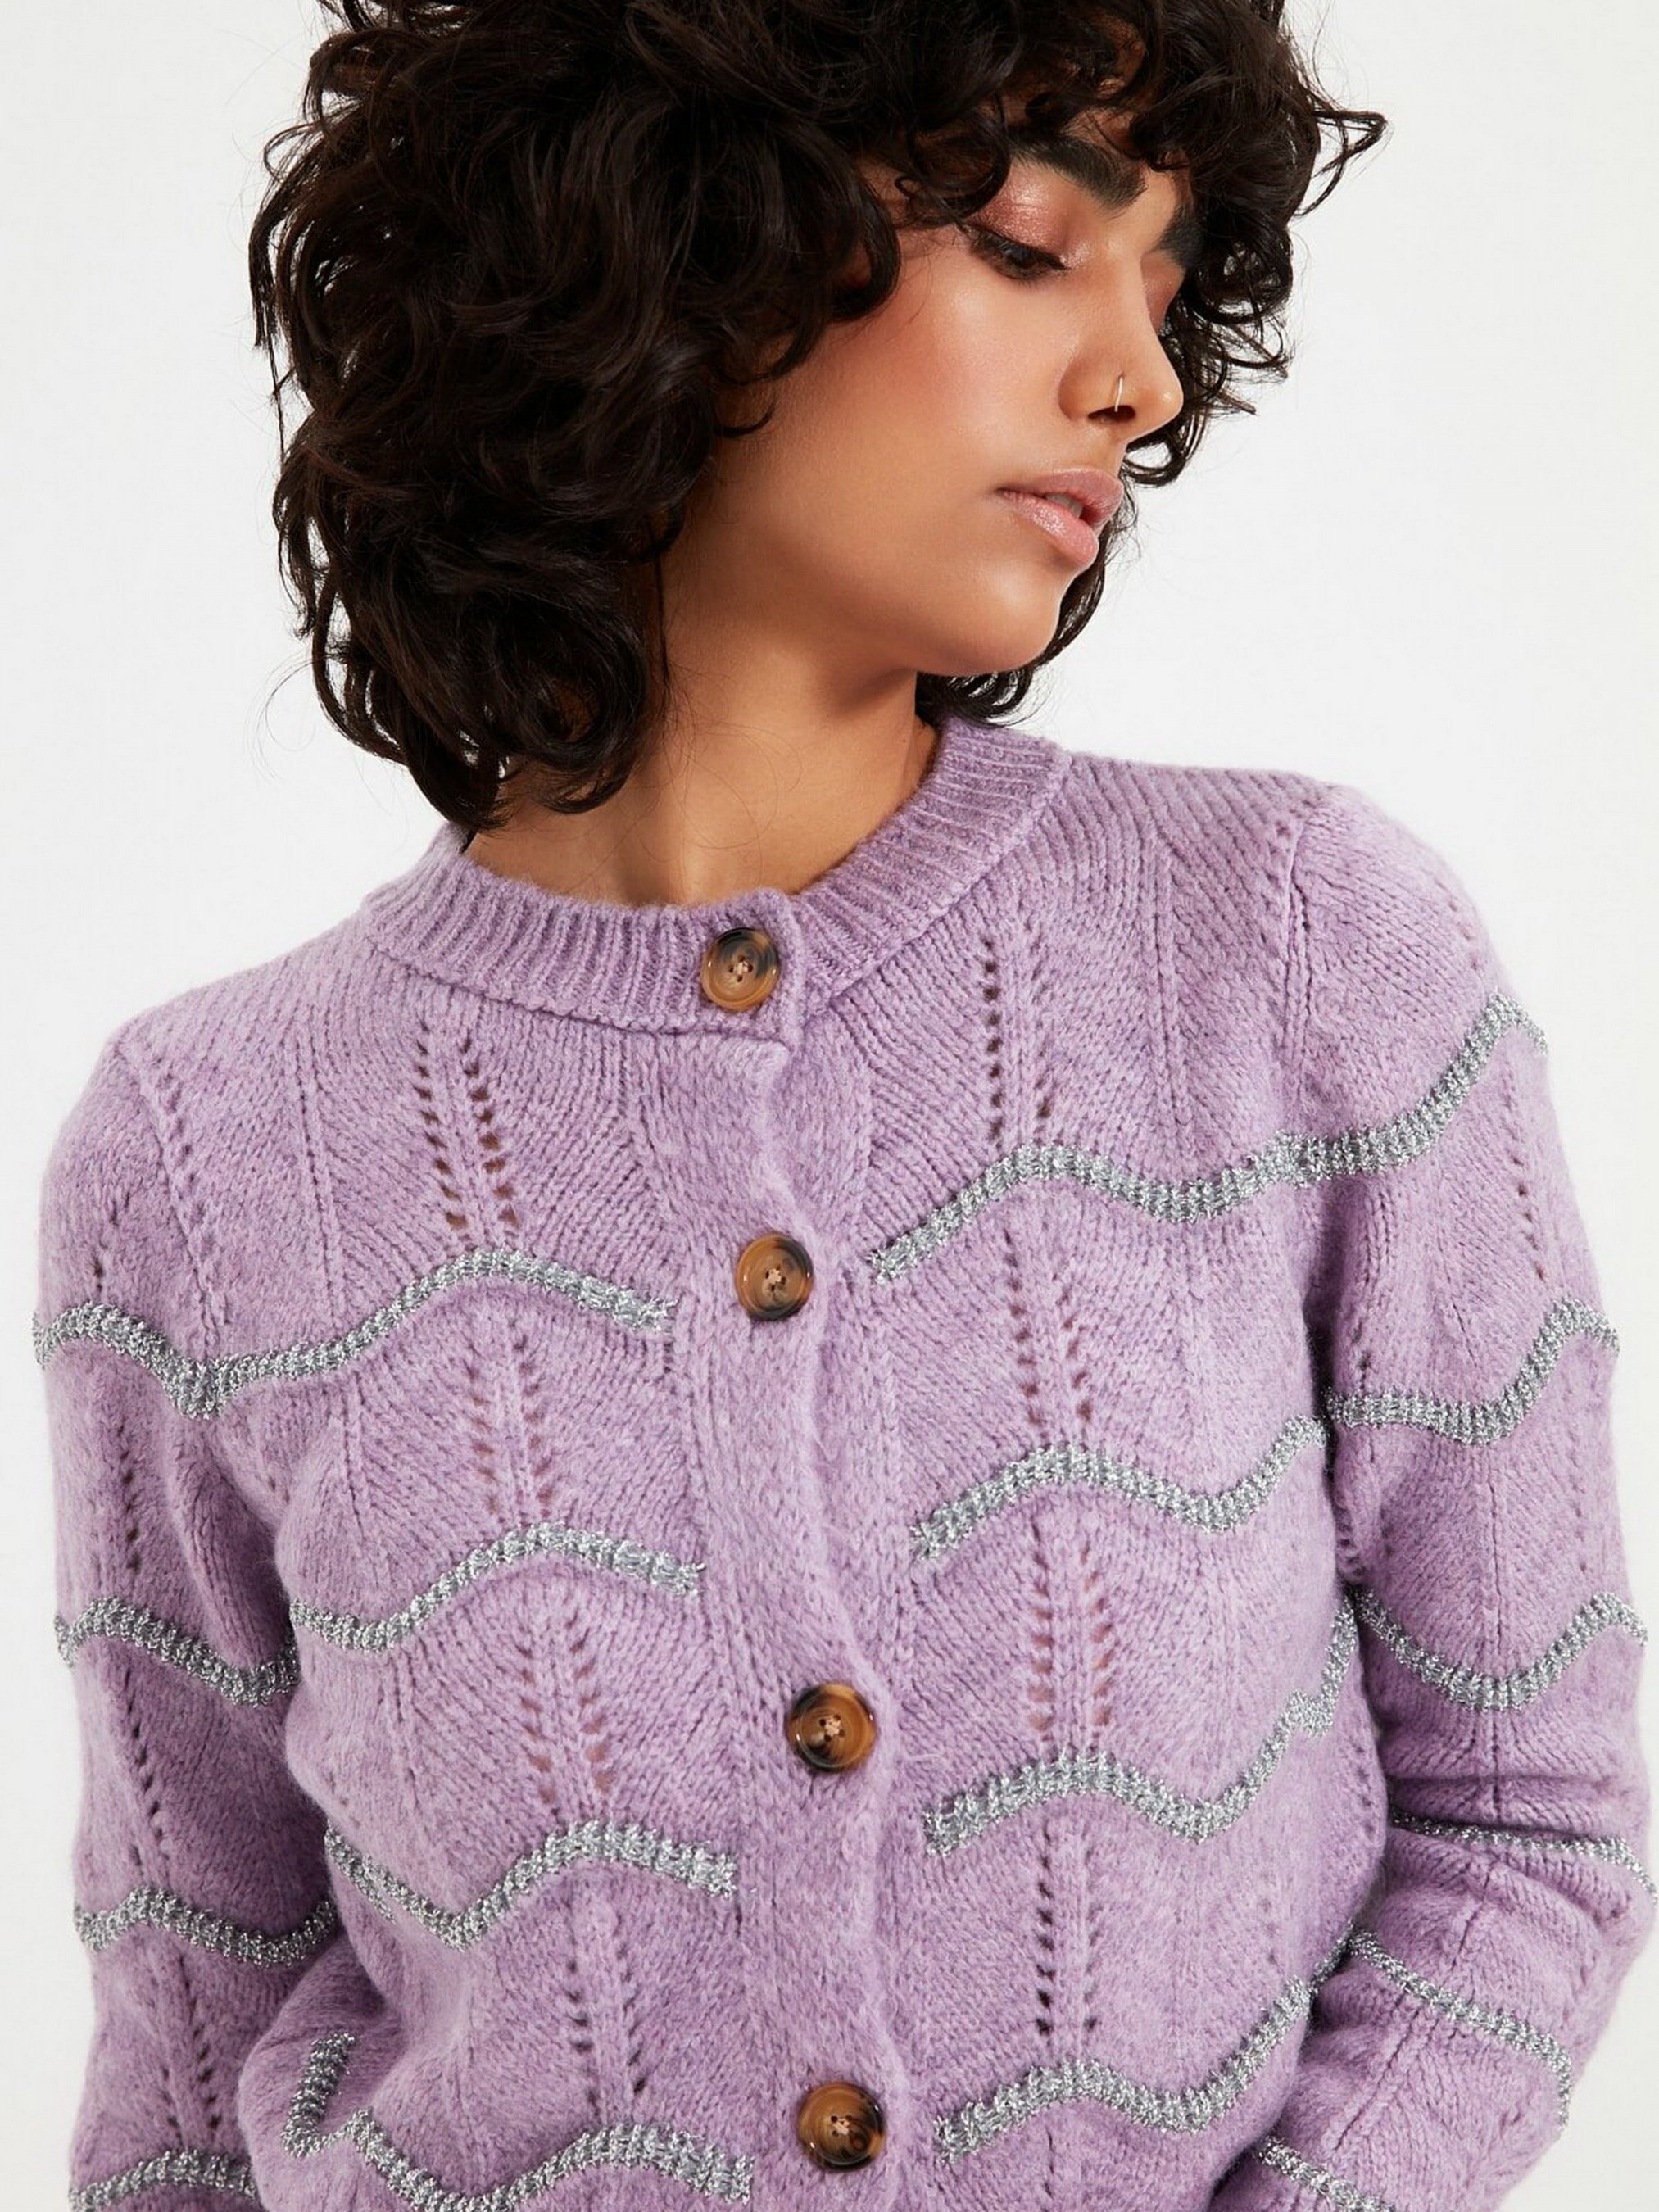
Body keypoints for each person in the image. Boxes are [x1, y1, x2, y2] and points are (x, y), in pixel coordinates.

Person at [34, 6, 1651, 2210]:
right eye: (1034, 243)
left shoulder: (1290, 952)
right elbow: (193, 2049)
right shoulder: (202, 1148)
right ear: (677, 246)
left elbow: (1529, 1822)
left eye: (1171, 290)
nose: (1141, 380)